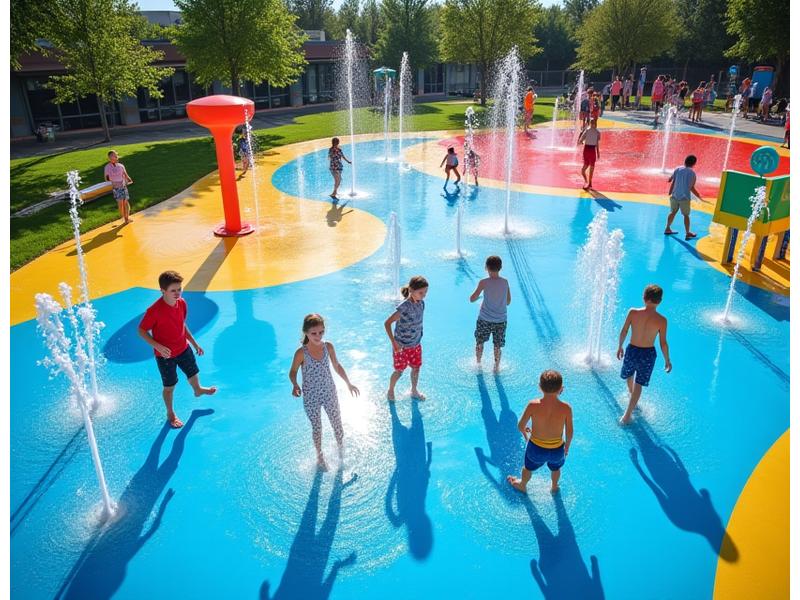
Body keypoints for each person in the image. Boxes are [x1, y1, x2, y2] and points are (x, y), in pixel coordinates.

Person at [138, 271, 217, 429]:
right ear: (163, 291)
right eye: (173, 290)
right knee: (169, 386)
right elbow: (141, 330)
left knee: (193, 372)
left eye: (179, 289)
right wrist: (157, 346)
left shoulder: (182, 303)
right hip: (165, 356)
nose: (177, 293)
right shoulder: (154, 311)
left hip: (183, 347)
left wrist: (194, 343)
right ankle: (170, 413)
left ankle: (198, 390)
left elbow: (182, 325)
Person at [288, 313, 360, 471]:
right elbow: (292, 371)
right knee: (317, 427)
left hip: (329, 392)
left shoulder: (328, 347)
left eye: (321, 332)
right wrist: (294, 384)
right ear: (306, 332)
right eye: (314, 333)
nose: (318, 336)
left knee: (337, 424)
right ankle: (319, 456)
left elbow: (337, 365)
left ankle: (341, 451)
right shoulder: (301, 353)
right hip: (311, 396)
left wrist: (348, 383)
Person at [507, 370, 573, 494]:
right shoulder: (566, 408)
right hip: (557, 450)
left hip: (536, 449)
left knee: (527, 468)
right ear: (561, 389)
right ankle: (554, 486)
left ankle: (522, 485)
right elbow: (569, 432)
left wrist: (527, 436)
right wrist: (567, 447)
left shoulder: (533, 405)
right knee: (556, 468)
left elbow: (520, 425)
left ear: (539, 388)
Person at [616, 284, 672, 425]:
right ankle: (628, 413)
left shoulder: (633, 312)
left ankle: (630, 398)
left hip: (632, 350)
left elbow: (624, 331)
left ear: (644, 297)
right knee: (639, 383)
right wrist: (667, 360)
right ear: (659, 301)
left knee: (629, 376)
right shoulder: (662, 320)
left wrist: (620, 346)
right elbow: (663, 343)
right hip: (648, 354)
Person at [385, 276, 429, 401]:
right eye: (421, 292)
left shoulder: (421, 304)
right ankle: (391, 390)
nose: (424, 295)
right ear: (411, 290)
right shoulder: (404, 307)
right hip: (401, 347)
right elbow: (387, 323)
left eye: (425, 292)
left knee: (416, 368)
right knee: (399, 371)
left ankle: (414, 390)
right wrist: (394, 343)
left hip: (415, 345)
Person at [469, 255, 511, 372]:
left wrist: (480, 297)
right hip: (501, 320)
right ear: (500, 267)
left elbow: (472, 298)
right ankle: (496, 367)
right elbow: (508, 301)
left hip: (484, 319)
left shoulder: (483, 282)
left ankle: (478, 363)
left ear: (486, 267)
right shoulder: (505, 282)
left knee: (479, 342)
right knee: (497, 345)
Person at [664, 154, 703, 241]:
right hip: (684, 198)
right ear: (694, 163)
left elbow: (670, 179)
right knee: (686, 215)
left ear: (685, 161)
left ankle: (667, 228)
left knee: (673, 212)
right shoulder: (692, 173)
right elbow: (691, 187)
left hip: (674, 196)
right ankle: (687, 233)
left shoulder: (678, 169)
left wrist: (670, 186)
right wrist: (699, 196)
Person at [104, 150, 134, 225]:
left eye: (116, 155)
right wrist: (110, 178)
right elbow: (106, 178)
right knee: (121, 203)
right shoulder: (107, 167)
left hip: (123, 186)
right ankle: (124, 217)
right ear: (109, 157)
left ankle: (126, 218)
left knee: (125, 202)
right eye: (113, 155)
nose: (115, 157)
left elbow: (125, 174)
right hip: (116, 188)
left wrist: (129, 179)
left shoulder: (121, 165)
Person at [578, 118, 601, 190]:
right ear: (591, 123)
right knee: (583, 170)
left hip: (591, 150)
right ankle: (586, 181)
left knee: (591, 168)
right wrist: (581, 142)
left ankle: (589, 182)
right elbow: (580, 140)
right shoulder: (588, 131)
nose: (593, 124)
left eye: (594, 123)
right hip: (587, 150)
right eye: (592, 123)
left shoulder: (597, 132)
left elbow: (597, 143)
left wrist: (598, 152)